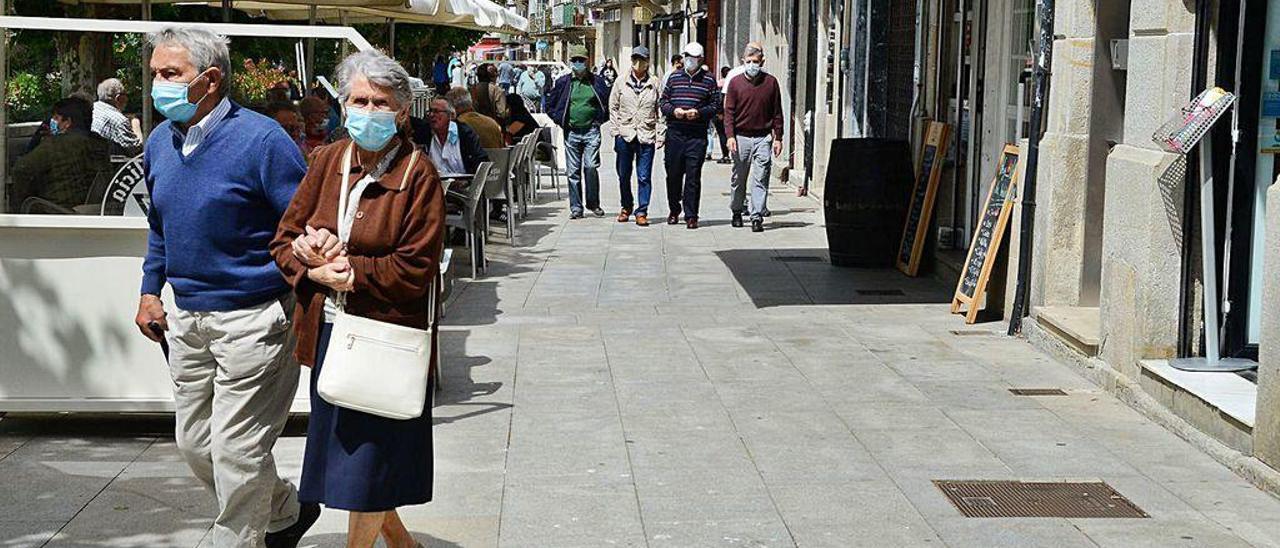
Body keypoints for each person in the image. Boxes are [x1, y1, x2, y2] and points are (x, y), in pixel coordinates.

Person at [133, 26, 318, 547]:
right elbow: (161, 225)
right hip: (188, 320)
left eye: (171, 75)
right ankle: (284, 510)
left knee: (237, 452)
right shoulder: (160, 142)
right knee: (196, 446)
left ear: (210, 79)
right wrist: (151, 289)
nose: (158, 86)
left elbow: (300, 226)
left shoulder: (262, 141)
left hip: (254, 320)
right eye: (155, 75)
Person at [269, 49, 444, 548]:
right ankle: (404, 544)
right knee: (357, 464)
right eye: (359, 100)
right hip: (330, 335)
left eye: (379, 102)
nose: (367, 111)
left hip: (387, 338)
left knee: (365, 468)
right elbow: (283, 239)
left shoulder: (418, 174)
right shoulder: (328, 160)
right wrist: (308, 258)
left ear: (401, 110)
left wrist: (350, 272)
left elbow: (416, 269)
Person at [11, 96, 112, 212]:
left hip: (55, 209)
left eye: (56, 118)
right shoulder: (100, 144)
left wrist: (25, 200)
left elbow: (21, 169)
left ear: (67, 122)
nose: (53, 122)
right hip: (89, 210)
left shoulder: (56, 144)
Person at [725, 43, 785, 233]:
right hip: (741, 137)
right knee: (739, 178)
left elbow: (777, 112)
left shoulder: (771, 83)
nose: (752, 65)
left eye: (756, 62)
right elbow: (728, 112)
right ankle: (736, 210)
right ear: (743, 62)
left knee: (761, 177)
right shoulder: (735, 83)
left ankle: (756, 215)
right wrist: (730, 136)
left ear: (762, 62)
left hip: (762, 138)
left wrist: (778, 137)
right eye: (749, 61)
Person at [660, 42, 720, 229]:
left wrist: (699, 113)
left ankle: (691, 214)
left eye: (693, 57)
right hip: (675, 132)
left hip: (696, 134)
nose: (689, 60)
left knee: (693, 176)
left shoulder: (709, 80)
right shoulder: (674, 78)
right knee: (673, 174)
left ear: (700, 59)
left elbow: (715, 105)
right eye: (687, 56)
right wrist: (673, 110)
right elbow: (663, 102)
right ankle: (674, 209)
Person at [547, 44, 611, 219]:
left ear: (587, 61)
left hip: (591, 131)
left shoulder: (597, 82)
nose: (577, 63)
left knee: (590, 166)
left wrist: (598, 121)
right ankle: (576, 207)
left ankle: (593, 203)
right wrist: (561, 121)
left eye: (581, 60)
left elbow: (608, 104)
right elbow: (550, 106)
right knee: (573, 171)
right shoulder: (563, 82)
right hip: (572, 132)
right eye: (574, 60)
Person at [608, 46, 664, 227]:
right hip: (625, 134)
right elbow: (613, 107)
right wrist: (616, 131)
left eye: (642, 59)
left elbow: (661, 111)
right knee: (623, 175)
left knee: (644, 176)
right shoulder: (620, 82)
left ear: (648, 62)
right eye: (635, 59)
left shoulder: (655, 83)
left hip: (646, 134)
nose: (638, 63)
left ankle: (642, 211)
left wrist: (660, 134)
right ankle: (626, 206)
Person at [422, 97, 488, 174]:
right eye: (430, 111)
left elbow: (481, 162)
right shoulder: (425, 134)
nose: (432, 115)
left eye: (436, 111)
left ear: (451, 115)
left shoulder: (465, 134)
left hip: (465, 183)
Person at [92, 77, 143, 155]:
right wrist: (135, 123)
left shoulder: (91, 109)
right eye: (126, 95)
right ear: (118, 98)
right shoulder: (119, 120)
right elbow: (137, 149)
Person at [711, 66, 732, 164]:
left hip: (721, 114)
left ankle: (726, 155)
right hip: (730, 114)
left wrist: (719, 112)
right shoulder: (733, 83)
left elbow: (718, 99)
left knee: (722, 134)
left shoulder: (719, 84)